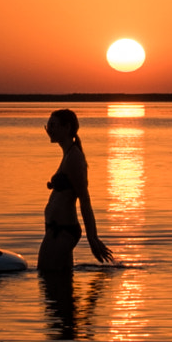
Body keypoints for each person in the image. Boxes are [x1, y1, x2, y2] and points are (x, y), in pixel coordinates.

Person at [39, 109, 114, 271]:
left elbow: (85, 200)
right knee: (58, 282)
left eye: (53, 125)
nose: (48, 130)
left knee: (47, 276)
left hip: (63, 230)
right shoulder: (67, 154)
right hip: (54, 229)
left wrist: (92, 238)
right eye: (47, 126)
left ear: (67, 127)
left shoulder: (74, 157)